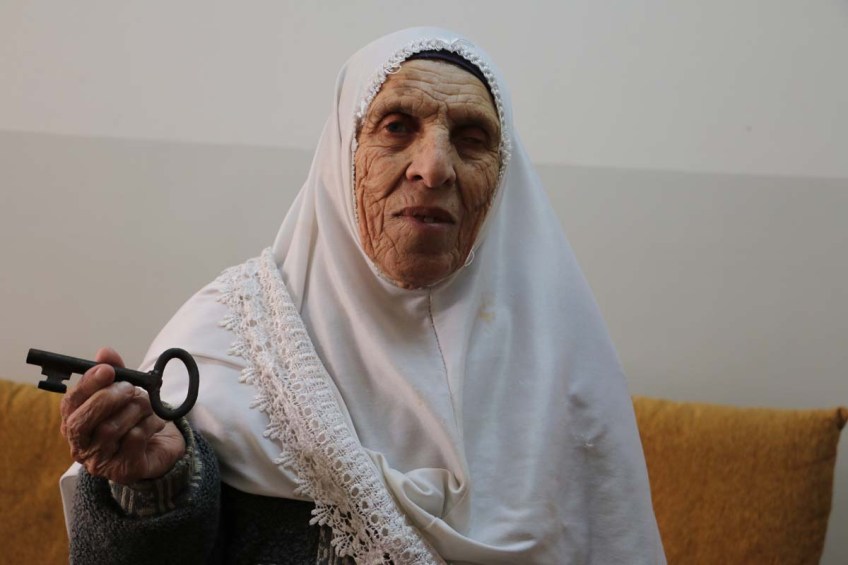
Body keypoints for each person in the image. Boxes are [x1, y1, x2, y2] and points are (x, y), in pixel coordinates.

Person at [59, 27, 666, 564]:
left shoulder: (563, 373)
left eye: (472, 138)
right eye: (398, 127)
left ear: (503, 177)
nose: (434, 167)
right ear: (342, 157)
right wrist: (155, 486)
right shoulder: (230, 342)